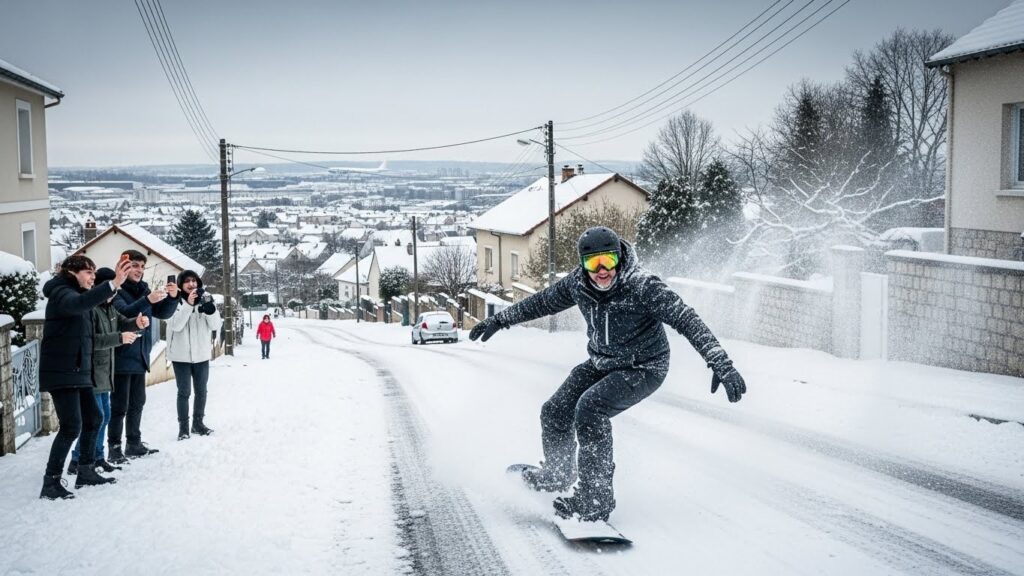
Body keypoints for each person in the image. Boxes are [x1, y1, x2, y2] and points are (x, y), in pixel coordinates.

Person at [470, 226, 747, 523]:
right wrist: (500, 319)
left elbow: (686, 318)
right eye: (593, 264)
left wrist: (721, 363)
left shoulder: (642, 286)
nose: (602, 271)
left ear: (618, 258)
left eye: (609, 261)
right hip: (605, 361)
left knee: (590, 410)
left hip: (644, 366)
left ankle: (595, 500)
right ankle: (558, 473)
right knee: (555, 410)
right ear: (583, 264)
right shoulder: (578, 284)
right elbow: (542, 302)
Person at [38, 256, 132, 499]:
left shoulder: (81, 298)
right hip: (62, 371)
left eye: (93, 273)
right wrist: (112, 284)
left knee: (94, 418)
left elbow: (89, 336)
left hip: (79, 371)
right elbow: (78, 304)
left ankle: (86, 470)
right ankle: (51, 482)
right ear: (72, 272)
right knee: (71, 427)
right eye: (88, 272)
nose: (92, 277)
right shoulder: (61, 292)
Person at [68, 267, 147, 476]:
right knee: (95, 418)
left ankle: (98, 456)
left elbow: (123, 322)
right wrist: (119, 338)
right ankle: (78, 459)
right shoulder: (91, 309)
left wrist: (136, 323)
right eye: (113, 286)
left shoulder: (109, 307)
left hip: (105, 373)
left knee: (104, 416)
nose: (116, 290)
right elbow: (92, 341)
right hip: (91, 373)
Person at [108, 250, 179, 462]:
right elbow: (126, 313)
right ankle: (114, 448)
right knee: (119, 406)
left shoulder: (144, 289)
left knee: (137, 403)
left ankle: (133, 443)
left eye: (141, 266)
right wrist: (147, 299)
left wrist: (173, 297)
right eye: (134, 266)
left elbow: (163, 313)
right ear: (123, 267)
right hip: (121, 356)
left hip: (140, 357)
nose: (139, 270)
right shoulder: (116, 291)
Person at [166, 270, 221, 440]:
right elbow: (175, 325)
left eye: (194, 281)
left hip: (201, 355)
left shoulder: (205, 298)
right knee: (184, 392)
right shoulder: (174, 301)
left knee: (201, 391)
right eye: (187, 281)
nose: (192, 284)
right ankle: (183, 428)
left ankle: (198, 424)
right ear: (181, 285)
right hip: (180, 356)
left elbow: (215, 325)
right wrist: (189, 306)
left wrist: (210, 310)